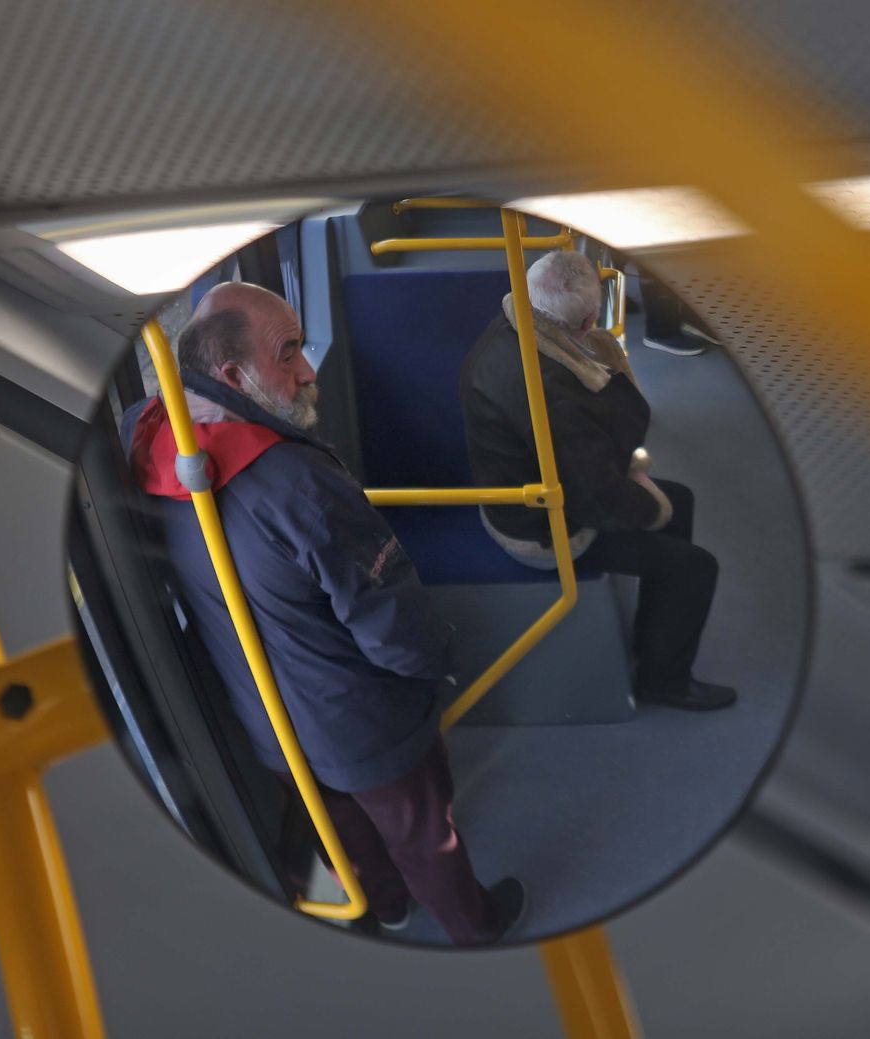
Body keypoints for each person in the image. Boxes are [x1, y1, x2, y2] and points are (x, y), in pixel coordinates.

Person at [124, 281, 524, 945]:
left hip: (268, 719)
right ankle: (476, 928)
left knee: (343, 831)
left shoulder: (147, 436)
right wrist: (441, 658)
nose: (308, 370)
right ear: (231, 374)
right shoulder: (297, 483)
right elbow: (393, 623)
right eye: (288, 354)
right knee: (427, 833)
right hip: (361, 723)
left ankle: (389, 905)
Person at [459, 251, 737, 711]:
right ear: (588, 322)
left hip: (524, 491)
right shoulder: (555, 391)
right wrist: (649, 503)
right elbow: (598, 501)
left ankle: (656, 632)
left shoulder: (508, 328)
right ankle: (663, 681)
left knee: (680, 501)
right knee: (695, 566)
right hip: (543, 531)